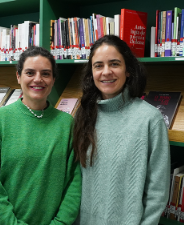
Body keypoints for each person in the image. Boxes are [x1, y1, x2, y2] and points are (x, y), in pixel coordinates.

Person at [0, 46, 81, 225]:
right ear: (18, 77)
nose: (38, 79)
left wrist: (60, 223)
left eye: (46, 74)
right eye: (30, 73)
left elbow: (74, 182)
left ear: (53, 79)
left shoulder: (67, 124)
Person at [73, 35, 170, 225]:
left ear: (128, 71)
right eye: (98, 66)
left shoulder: (150, 119)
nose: (106, 72)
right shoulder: (83, 115)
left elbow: (157, 192)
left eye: (115, 64)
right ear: (91, 73)